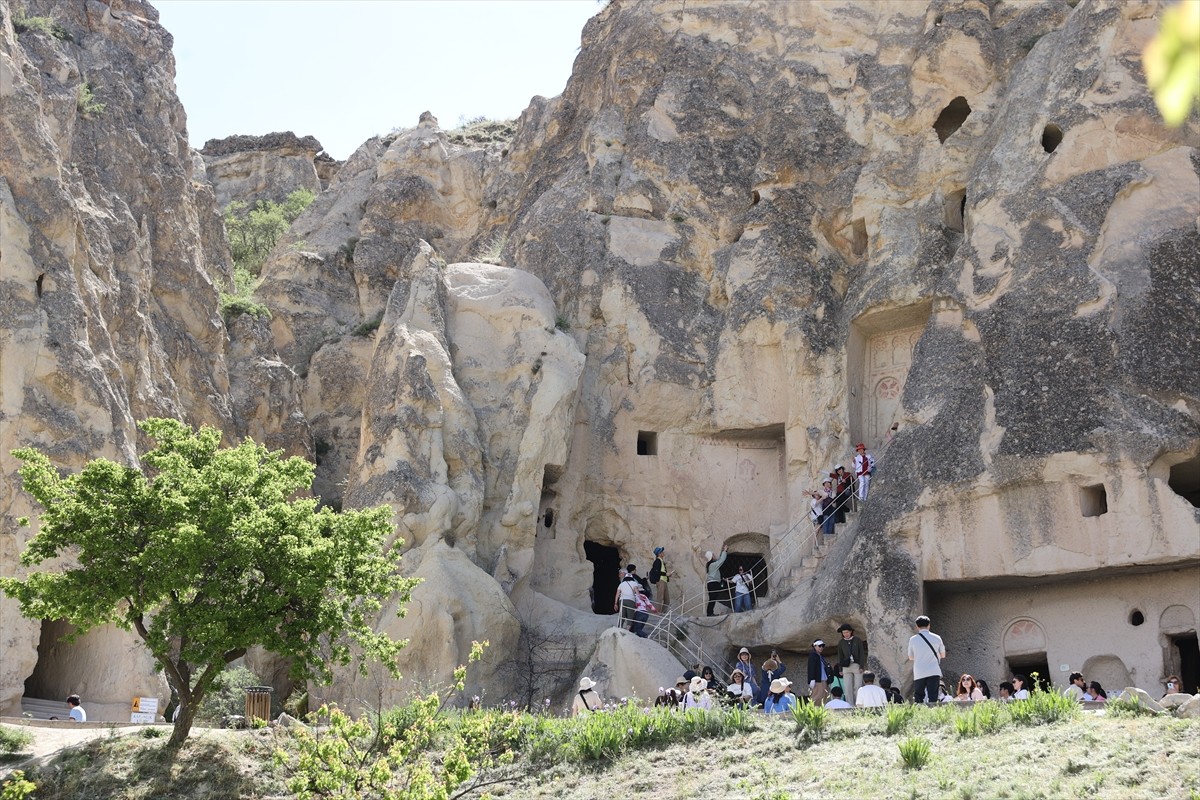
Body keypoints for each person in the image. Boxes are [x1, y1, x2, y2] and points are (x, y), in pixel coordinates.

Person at [907, 615, 945, 703]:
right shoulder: (937, 637)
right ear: (929, 625)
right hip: (933, 670)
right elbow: (943, 655)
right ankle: (933, 711)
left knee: (919, 695)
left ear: (917, 626)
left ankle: (919, 713)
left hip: (919, 671)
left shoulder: (913, 640)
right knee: (933, 695)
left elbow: (910, 657)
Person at [836, 623, 867, 705]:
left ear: (851, 632)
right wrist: (840, 669)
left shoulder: (857, 640)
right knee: (847, 688)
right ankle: (850, 705)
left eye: (847, 632)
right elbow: (840, 656)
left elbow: (861, 654)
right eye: (843, 633)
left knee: (858, 687)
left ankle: (858, 705)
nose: (845, 634)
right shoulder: (841, 642)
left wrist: (861, 666)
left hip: (856, 665)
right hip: (846, 666)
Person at [703, 546, 729, 616]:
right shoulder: (713, 565)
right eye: (713, 554)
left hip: (712, 583)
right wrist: (724, 551)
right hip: (713, 583)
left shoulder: (710, 565)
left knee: (713, 599)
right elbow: (721, 560)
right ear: (711, 557)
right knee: (712, 599)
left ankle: (710, 613)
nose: (714, 555)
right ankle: (709, 613)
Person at [807, 639, 831, 706]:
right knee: (816, 696)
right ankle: (811, 711)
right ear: (815, 646)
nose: (821, 648)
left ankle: (820, 710)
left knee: (824, 695)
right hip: (817, 680)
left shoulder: (820, 656)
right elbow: (811, 667)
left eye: (823, 646)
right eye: (819, 646)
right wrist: (812, 679)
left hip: (823, 679)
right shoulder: (813, 655)